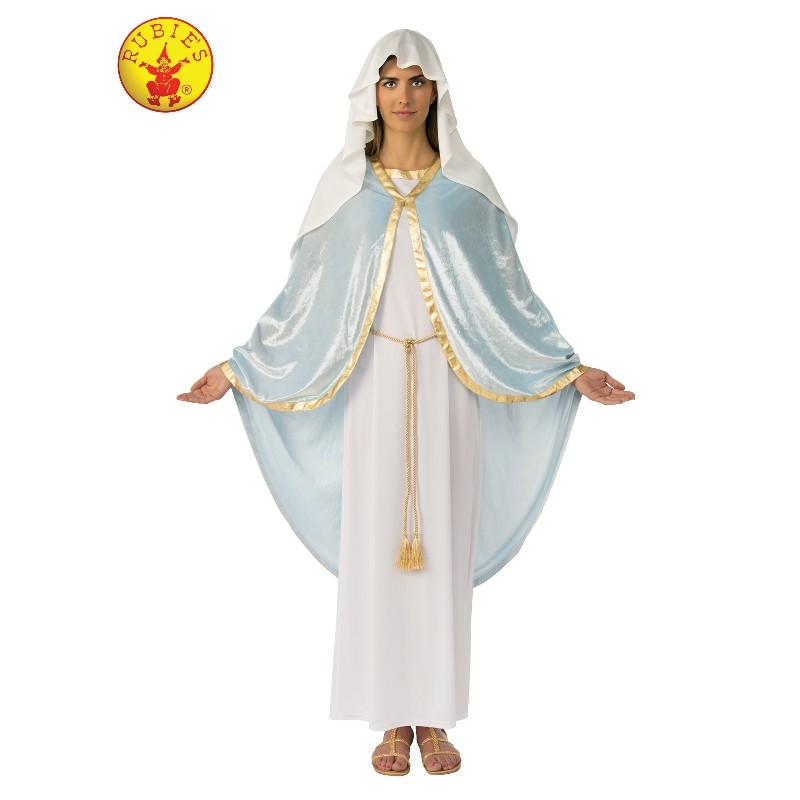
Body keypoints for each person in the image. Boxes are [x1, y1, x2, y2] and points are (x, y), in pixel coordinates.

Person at [177, 29, 634, 776]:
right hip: (372, 388)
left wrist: (568, 369)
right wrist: (237, 369)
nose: (404, 95)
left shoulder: (467, 192)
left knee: (438, 553)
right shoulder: (345, 193)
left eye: (418, 81)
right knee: (377, 550)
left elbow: (511, 299)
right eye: (390, 81)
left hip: (451, 391)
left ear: (437, 93)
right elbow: (302, 303)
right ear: (371, 94)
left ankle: (435, 717)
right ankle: (388, 717)